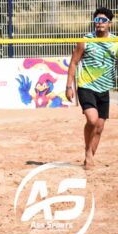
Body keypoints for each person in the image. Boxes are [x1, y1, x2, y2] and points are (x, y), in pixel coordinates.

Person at [66, 7, 117, 170]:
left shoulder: (115, 42)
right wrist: (69, 86)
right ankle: (88, 153)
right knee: (92, 120)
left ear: (109, 23)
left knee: (100, 127)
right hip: (86, 86)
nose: (100, 23)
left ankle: (89, 156)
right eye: (97, 20)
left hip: (104, 88)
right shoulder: (86, 40)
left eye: (103, 20)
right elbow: (73, 62)